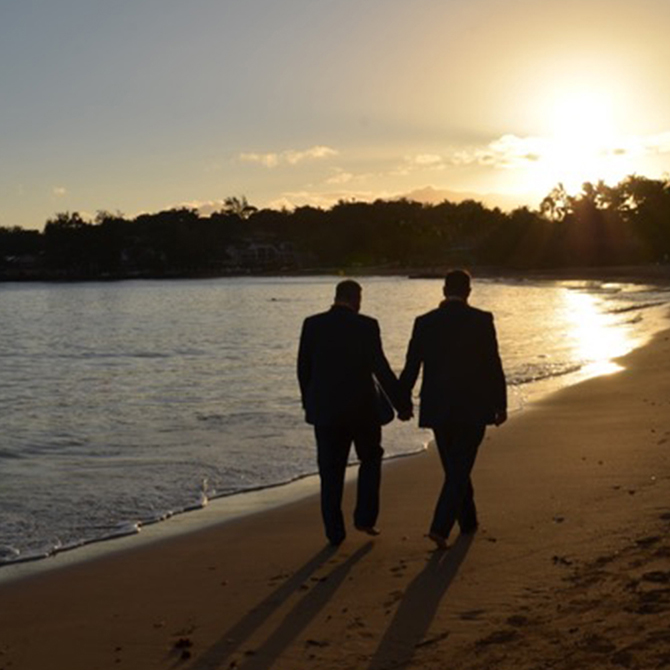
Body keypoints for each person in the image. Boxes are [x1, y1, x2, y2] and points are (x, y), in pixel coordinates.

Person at [297, 279, 411, 546]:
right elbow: (380, 368)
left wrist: (309, 401)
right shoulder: (366, 326)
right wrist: (402, 404)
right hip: (364, 410)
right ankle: (365, 518)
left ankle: (334, 532)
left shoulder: (312, 324)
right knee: (371, 460)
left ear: (336, 297)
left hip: (326, 412)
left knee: (330, 470)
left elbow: (303, 369)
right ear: (357, 299)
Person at [399, 269, 507, 550]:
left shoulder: (424, 322)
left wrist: (402, 401)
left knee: (455, 465)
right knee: (460, 466)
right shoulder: (482, 320)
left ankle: (468, 521)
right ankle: (440, 526)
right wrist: (500, 404)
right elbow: (493, 364)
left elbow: (412, 366)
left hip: (438, 405)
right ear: (468, 291)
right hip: (474, 404)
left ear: (443, 290)